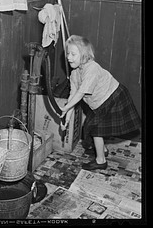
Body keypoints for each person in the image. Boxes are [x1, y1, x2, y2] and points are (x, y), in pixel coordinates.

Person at [59, 35, 141, 170]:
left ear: (84, 55)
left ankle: (101, 161)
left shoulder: (92, 68)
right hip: (100, 103)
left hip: (114, 97)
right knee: (91, 126)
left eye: (73, 54)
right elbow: (72, 97)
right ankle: (103, 150)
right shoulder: (75, 74)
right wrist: (66, 119)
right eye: (68, 53)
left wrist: (65, 108)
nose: (69, 57)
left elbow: (80, 93)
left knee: (96, 129)